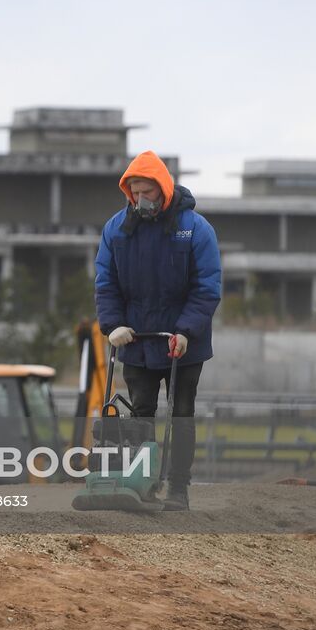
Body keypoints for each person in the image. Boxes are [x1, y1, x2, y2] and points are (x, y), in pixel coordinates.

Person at [94, 150, 221, 511]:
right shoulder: (116, 229)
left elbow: (207, 287)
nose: (140, 199)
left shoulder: (194, 229)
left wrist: (186, 331)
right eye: (134, 192)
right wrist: (113, 325)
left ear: (162, 189)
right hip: (136, 340)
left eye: (146, 192)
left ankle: (178, 487)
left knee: (181, 412)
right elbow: (106, 284)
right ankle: (142, 484)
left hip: (182, 343)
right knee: (142, 414)